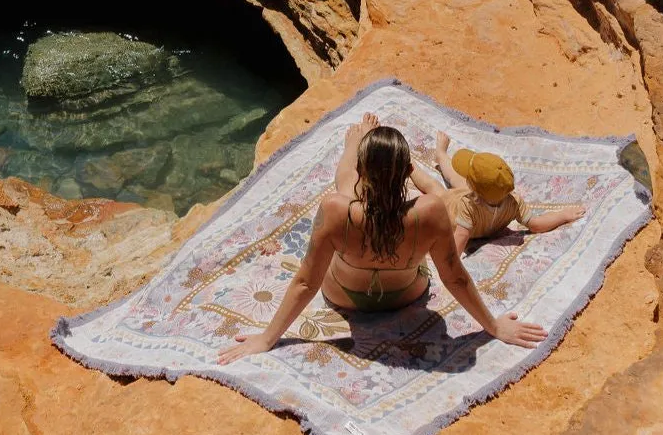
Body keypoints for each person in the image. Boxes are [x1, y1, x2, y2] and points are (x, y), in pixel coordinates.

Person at [217, 115, 547, 365]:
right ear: (407, 173)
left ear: (362, 170)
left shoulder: (335, 209)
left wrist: (267, 339)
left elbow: (305, 282)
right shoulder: (431, 210)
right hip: (406, 295)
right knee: (363, 198)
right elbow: (454, 276)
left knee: (345, 192)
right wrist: (493, 327)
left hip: (345, 297)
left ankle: (351, 145)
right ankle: (375, 157)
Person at [410, 132, 586, 256]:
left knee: (434, 186)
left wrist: (449, 262)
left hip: (450, 207)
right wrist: (563, 215)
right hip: (481, 202)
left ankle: (409, 160)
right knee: (456, 179)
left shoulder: (467, 205)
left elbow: (460, 238)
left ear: (473, 187)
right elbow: (537, 225)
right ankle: (440, 155)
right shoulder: (513, 201)